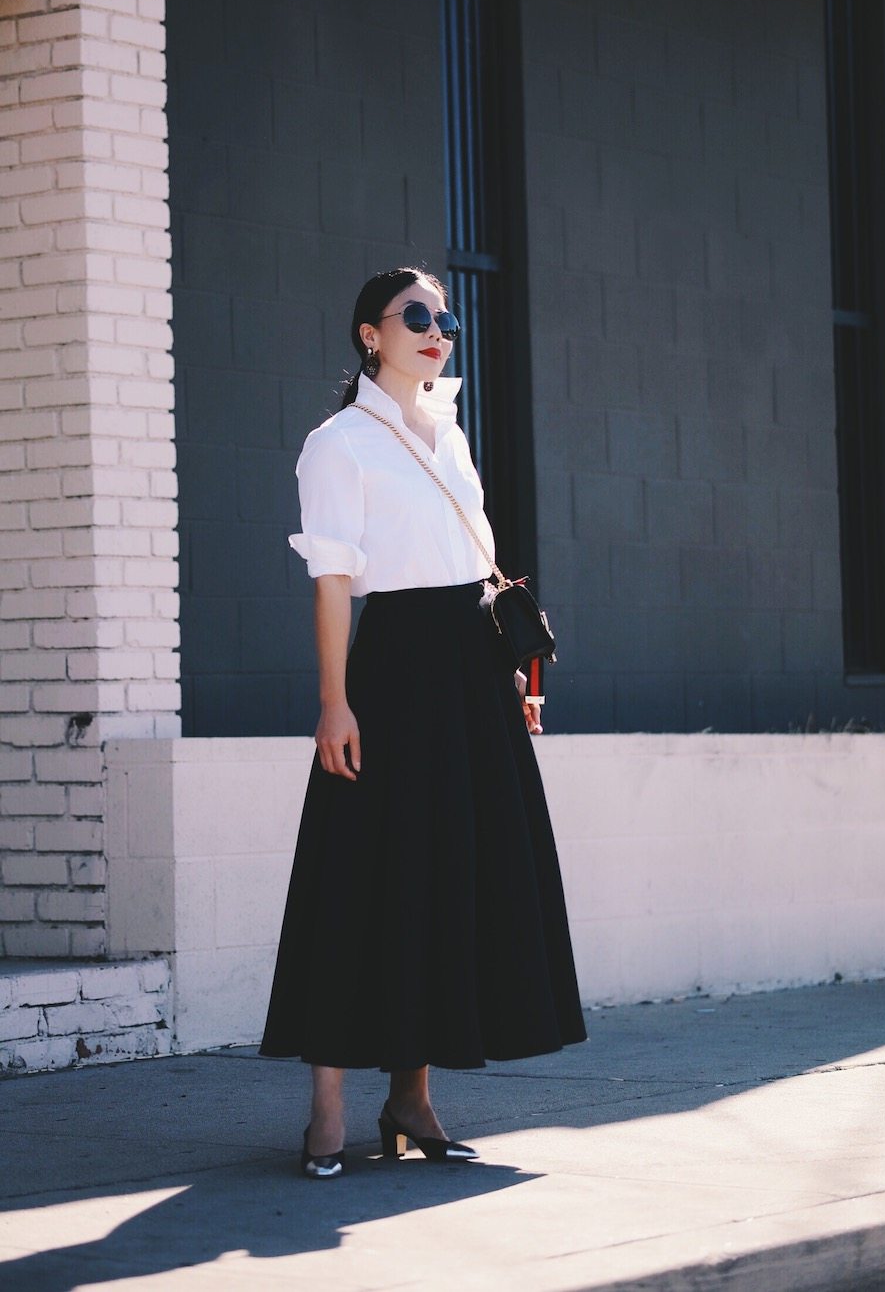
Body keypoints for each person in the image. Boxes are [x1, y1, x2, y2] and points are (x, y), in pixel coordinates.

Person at [259, 267, 586, 1178]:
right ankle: (328, 1105)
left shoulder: (452, 436)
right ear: (371, 333)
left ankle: (413, 1097)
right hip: (393, 670)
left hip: (472, 674)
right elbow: (332, 581)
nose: (437, 329)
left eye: (445, 317)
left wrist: (514, 678)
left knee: (449, 877)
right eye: (416, 316)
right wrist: (335, 700)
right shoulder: (338, 444)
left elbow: (479, 570)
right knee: (361, 873)